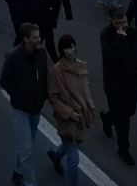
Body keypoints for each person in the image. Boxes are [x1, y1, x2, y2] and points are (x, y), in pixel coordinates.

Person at [99, 4, 137, 166]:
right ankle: (123, 148)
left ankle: (108, 118)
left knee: (129, 111)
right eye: (118, 23)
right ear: (112, 22)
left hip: (133, 82)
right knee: (123, 119)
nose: (123, 25)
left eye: (124, 22)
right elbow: (110, 55)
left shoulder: (132, 32)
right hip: (115, 86)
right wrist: (120, 38)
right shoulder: (107, 35)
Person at [0, 23, 50, 185]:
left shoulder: (41, 54)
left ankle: (17, 172)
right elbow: (4, 81)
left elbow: (44, 77)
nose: (39, 39)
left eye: (39, 36)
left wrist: (44, 96)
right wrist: (20, 97)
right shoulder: (13, 57)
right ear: (26, 39)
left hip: (36, 109)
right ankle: (30, 183)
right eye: (35, 37)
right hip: (20, 110)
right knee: (27, 150)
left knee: (25, 147)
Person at [47, 33, 96, 186]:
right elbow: (53, 97)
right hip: (67, 118)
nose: (70, 51)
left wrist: (89, 106)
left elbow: (85, 88)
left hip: (81, 115)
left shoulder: (81, 65)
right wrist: (69, 112)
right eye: (66, 48)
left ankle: (56, 155)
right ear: (61, 51)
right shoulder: (57, 70)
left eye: (72, 47)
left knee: (72, 144)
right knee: (74, 159)